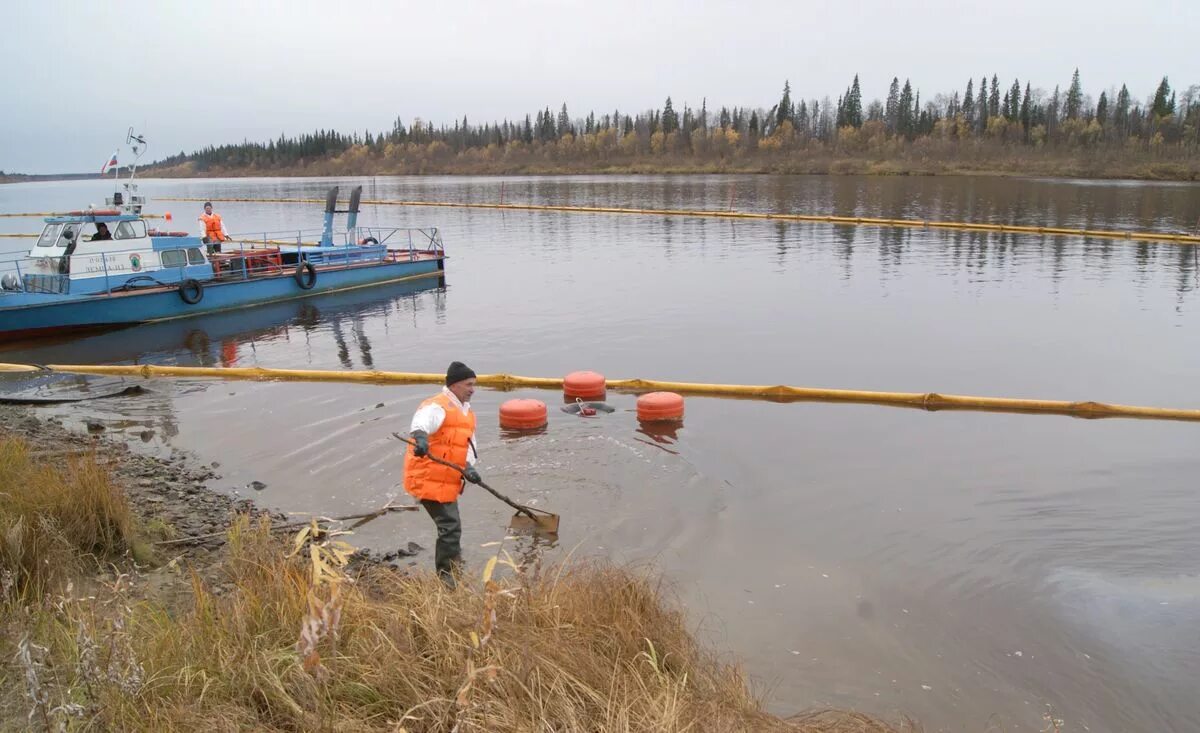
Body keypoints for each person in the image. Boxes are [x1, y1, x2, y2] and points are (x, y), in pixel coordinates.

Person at [404, 361, 482, 587]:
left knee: (451, 525)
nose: (472, 389)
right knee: (450, 525)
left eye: (473, 384)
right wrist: (419, 437)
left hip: (446, 478)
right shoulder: (438, 406)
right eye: (468, 384)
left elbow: (468, 445)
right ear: (455, 385)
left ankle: (453, 562)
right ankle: (447, 578)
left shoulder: (466, 412)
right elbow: (422, 421)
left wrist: (469, 467)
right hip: (427, 477)